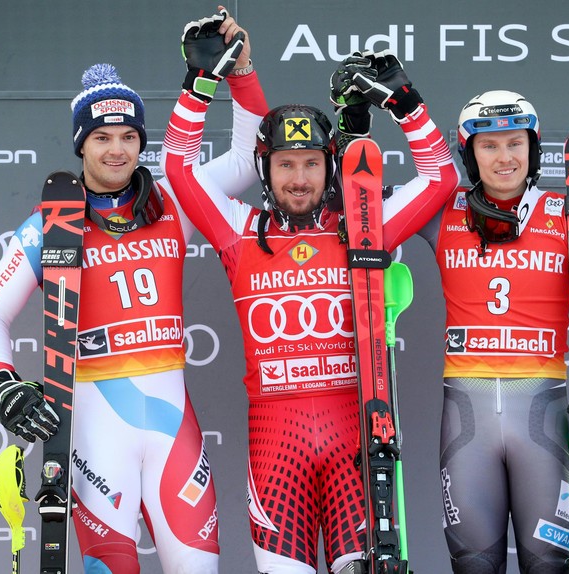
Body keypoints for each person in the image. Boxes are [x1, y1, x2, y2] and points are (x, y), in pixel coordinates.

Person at [0, 10, 267, 573]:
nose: (117, 150)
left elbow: (249, 159)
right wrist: (4, 387)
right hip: (94, 430)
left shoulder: (172, 204)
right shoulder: (51, 224)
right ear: (80, 144)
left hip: (174, 429)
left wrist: (242, 72)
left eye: (129, 136)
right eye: (102, 137)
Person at [163, 45, 459, 572]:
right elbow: (178, 170)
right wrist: (202, 81)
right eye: (284, 164)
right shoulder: (238, 232)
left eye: (311, 163)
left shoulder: (366, 225)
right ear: (264, 168)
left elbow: (442, 178)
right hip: (275, 455)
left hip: (356, 445)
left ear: (330, 167)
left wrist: (407, 103)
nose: (299, 179)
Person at [416, 90, 569, 573]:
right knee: (473, 563)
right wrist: (355, 127)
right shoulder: (441, 210)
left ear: (532, 149)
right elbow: (358, 211)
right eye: (489, 146)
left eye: (515, 143)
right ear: (469, 153)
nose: (504, 158)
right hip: (467, 420)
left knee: (549, 564)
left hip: (543, 419)